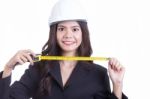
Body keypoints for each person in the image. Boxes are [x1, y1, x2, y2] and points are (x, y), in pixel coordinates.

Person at [0, 0, 128, 99]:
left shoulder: (98, 74)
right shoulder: (38, 68)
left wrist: (117, 84)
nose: (68, 35)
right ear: (54, 33)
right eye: (61, 29)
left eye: (74, 29)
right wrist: (8, 68)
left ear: (83, 33)